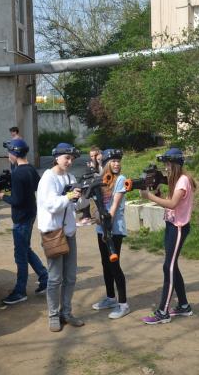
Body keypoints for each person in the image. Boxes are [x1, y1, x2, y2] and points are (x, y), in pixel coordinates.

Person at [140, 148, 196, 325]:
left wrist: (149, 196)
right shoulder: (176, 180)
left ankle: (163, 312)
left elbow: (172, 204)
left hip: (178, 228)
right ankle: (184, 306)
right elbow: (168, 202)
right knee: (172, 266)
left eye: (168, 164)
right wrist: (157, 193)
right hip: (172, 225)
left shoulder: (183, 180)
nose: (166, 168)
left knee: (168, 267)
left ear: (175, 165)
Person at [37, 142, 85, 332]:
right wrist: (68, 197)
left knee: (70, 277)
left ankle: (66, 312)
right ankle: (53, 315)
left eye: (72, 159)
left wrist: (84, 196)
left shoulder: (70, 177)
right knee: (55, 278)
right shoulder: (47, 179)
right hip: (53, 233)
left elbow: (76, 205)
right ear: (56, 157)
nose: (70, 161)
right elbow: (50, 205)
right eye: (67, 158)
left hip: (69, 232)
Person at [0, 139, 48, 304]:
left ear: (14, 153)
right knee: (25, 249)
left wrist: (2, 196)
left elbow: (16, 200)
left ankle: (20, 291)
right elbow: (37, 187)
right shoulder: (30, 169)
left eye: (9, 152)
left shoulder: (18, 173)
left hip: (21, 218)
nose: (8, 155)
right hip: (30, 213)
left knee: (20, 255)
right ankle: (44, 277)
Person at [91, 149, 130, 319]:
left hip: (114, 229)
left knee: (114, 266)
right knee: (105, 264)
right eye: (113, 161)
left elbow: (114, 206)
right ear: (106, 163)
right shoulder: (101, 180)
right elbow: (95, 204)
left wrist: (106, 222)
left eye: (118, 161)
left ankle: (123, 304)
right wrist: (96, 217)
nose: (116, 164)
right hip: (102, 228)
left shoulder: (120, 179)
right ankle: (110, 298)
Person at [77, 146, 101, 227]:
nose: (93, 158)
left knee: (88, 192)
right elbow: (86, 176)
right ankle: (86, 216)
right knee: (84, 191)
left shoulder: (102, 163)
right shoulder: (89, 164)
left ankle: (87, 216)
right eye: (91, 156)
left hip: (100, 186)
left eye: (95, 155)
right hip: (92, 185)